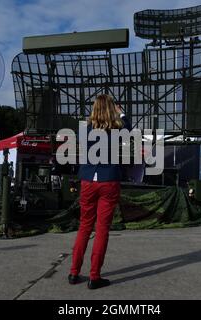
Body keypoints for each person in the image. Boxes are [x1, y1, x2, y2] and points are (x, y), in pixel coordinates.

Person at [69, 94, 131, 290]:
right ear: (112, 109)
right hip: (108, 180)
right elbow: (130, 132)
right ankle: (94, 276)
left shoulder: (84, 129)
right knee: (102, 228)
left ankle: (73, 272)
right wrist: (122, 114)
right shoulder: (117, 129)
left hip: (88, 180)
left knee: (84, 227)